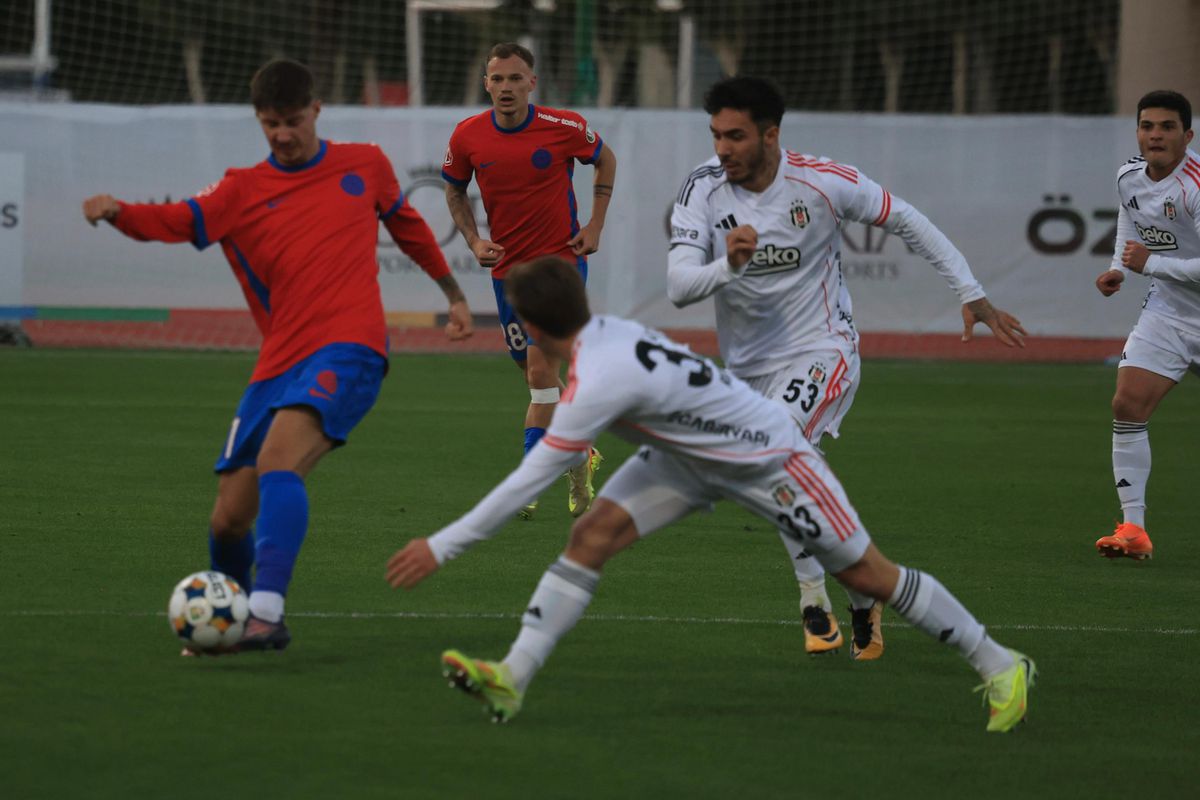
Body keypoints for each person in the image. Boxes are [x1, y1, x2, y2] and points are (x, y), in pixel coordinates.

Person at [386, 256, 1037, 733]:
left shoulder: (596, 383)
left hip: (771, 459)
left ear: (531, 327)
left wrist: (439, 548)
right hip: (685, 458)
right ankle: (511, 680)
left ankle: (1001, 662)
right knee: (592, 536)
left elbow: (528, 480)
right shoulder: (604, 333)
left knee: (868, 572)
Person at [82, 58, 474, 652]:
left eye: (292, 121)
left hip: (351, 346)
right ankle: (233, 623)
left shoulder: (364, 164)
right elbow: (176, 220)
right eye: (270, 123)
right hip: (279, 361)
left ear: (316, 110)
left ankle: (266, 612)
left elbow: (410, 226)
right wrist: (118, 213)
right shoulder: (240, 188)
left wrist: (452, 293)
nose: (282, 134)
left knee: (278, 461)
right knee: (228, 519)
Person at [667, 76, 1027, 659]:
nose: (723, 149)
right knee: (783, 475)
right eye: (716, 136)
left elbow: (907, 219)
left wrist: (970, 290)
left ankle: (813, 600)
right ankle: (865, 591)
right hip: (747, 367)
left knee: (774, 448)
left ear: (770, 134)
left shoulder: (822, 182)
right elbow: (680, 286)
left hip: (823, 349)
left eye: (735, 136)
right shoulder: (702, 189)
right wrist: (727, 269)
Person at [442, 42, 617, 519]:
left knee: (542, 379)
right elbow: (454, 191)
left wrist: (595, 224)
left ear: (531, 83)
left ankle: (528, 481)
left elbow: (606, 160)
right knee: (538, 377)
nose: (505, 88)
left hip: (559, 268)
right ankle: (580, 457)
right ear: (486, 84)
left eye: (515, 79)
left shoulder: (564, 127)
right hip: (507, 273)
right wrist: (476, 241)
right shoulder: (467, 136)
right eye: (497, 79)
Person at [1094, 90, 1200, 561]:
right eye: (1147, 126)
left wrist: (1150, 264)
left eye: (1167, 127)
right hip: (1171, 314)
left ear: (1187, 135)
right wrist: (1119, 264)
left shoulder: (1195, 186)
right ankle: (1133, 528)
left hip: (1172, 290)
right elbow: (1128, 214)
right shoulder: (1128, 175)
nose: (1155, 134)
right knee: (1127, 403)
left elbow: (1154, 260)